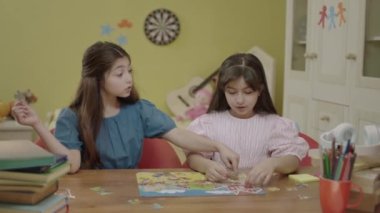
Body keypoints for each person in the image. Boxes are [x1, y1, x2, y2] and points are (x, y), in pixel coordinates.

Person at [11, 41, 239, 174]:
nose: (129, 79)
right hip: (89, 198)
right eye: (120, 73)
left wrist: (218, 146)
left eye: (130, 71)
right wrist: (38, 126)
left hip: (130, 193)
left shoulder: (139, 110)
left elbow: (179, 135)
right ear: (98, 79)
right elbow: (72, 164)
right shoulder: (71, 117)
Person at [186, 53, 308, 187]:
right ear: (223, 90)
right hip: (220, 198)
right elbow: (193, 157)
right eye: (232, 92)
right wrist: (207, 166)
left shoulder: (275, 124)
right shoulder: (207, 123)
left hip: (260, 197)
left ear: (260, 90)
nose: (240, 100)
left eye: (248, 92)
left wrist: (273, 163)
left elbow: (293, 160)